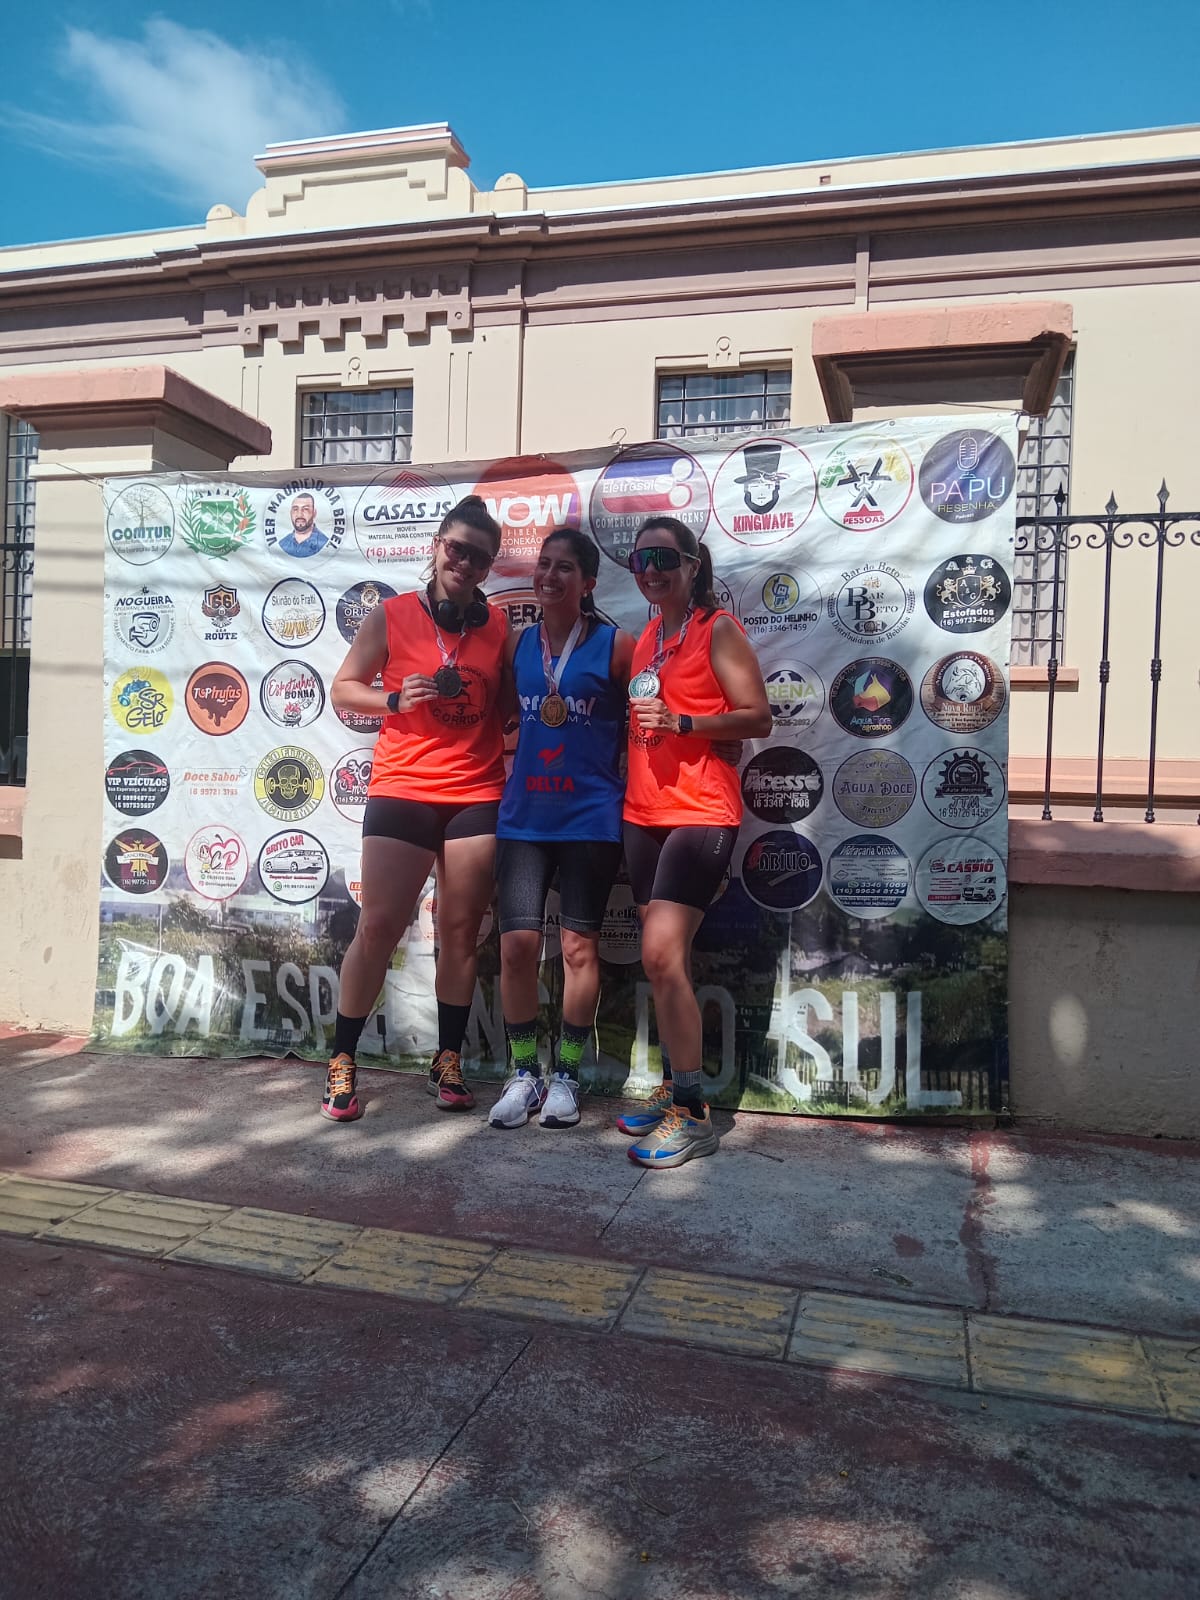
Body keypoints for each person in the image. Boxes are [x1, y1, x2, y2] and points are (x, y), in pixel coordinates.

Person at [321, 495, 508, 1122]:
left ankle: (446, 1059)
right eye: (456, 548)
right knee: (378, 927)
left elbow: (510, 706)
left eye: (479, 557)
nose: (465, 563)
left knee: (460, 932)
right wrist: (394, 700)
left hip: (476, 792)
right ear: (436, 546)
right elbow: (344, 687)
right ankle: (343, 1058)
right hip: (403, 788)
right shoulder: (392, 614)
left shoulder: (497, 627)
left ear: (489, 568)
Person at [620, 515, 771, 1168]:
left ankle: (693, 1115)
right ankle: (676, 1085)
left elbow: (759, 717)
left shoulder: (718, 629)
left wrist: (685, 722)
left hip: (701, 810)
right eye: (641, 561)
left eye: (663, 558)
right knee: (668, 962)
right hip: (643, 813)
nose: (651, 571)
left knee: (658, 955)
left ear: (692, 565)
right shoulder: (649, 636)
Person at [490, 529, 635, 1130]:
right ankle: (525, 1073)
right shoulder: (519, 644)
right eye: (543, 565)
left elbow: (649, 718)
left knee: (578, 949)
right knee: (517, 948)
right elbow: (501, 714)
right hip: (524, 817)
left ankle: (567, 1075)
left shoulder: (616, 646)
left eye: (565, 568)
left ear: (588, 582)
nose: (549, 576)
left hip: (589, 818)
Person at [278, 492, 329, 557]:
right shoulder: (282, 544)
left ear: (314, 513)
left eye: (305, 509)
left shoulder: (325, 544)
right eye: (295, 509)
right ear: (290, 513)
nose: (299, 515)